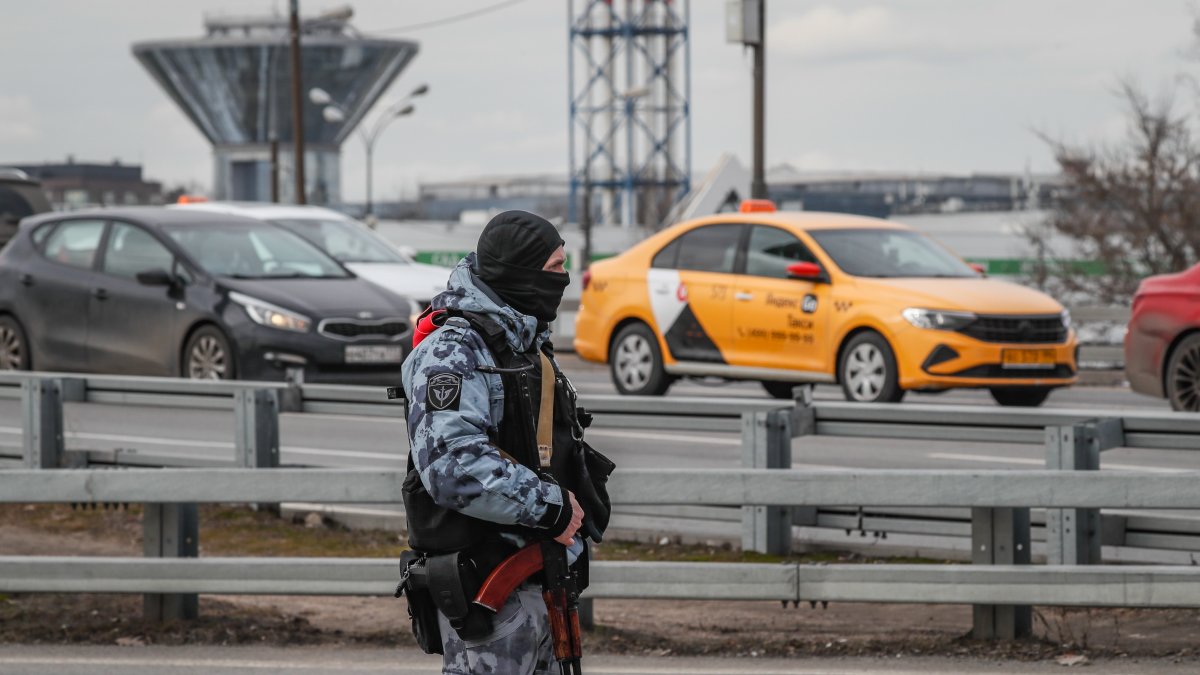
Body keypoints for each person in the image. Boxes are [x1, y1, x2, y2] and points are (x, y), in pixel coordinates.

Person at [400, 210, 613, 674]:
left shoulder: (523, 342)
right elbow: (452, 464)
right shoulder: (453, 350)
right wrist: (550, 506)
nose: (564, 280)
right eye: (555, 268)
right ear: (520, 271)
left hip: (542, 580)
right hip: (489, 592)